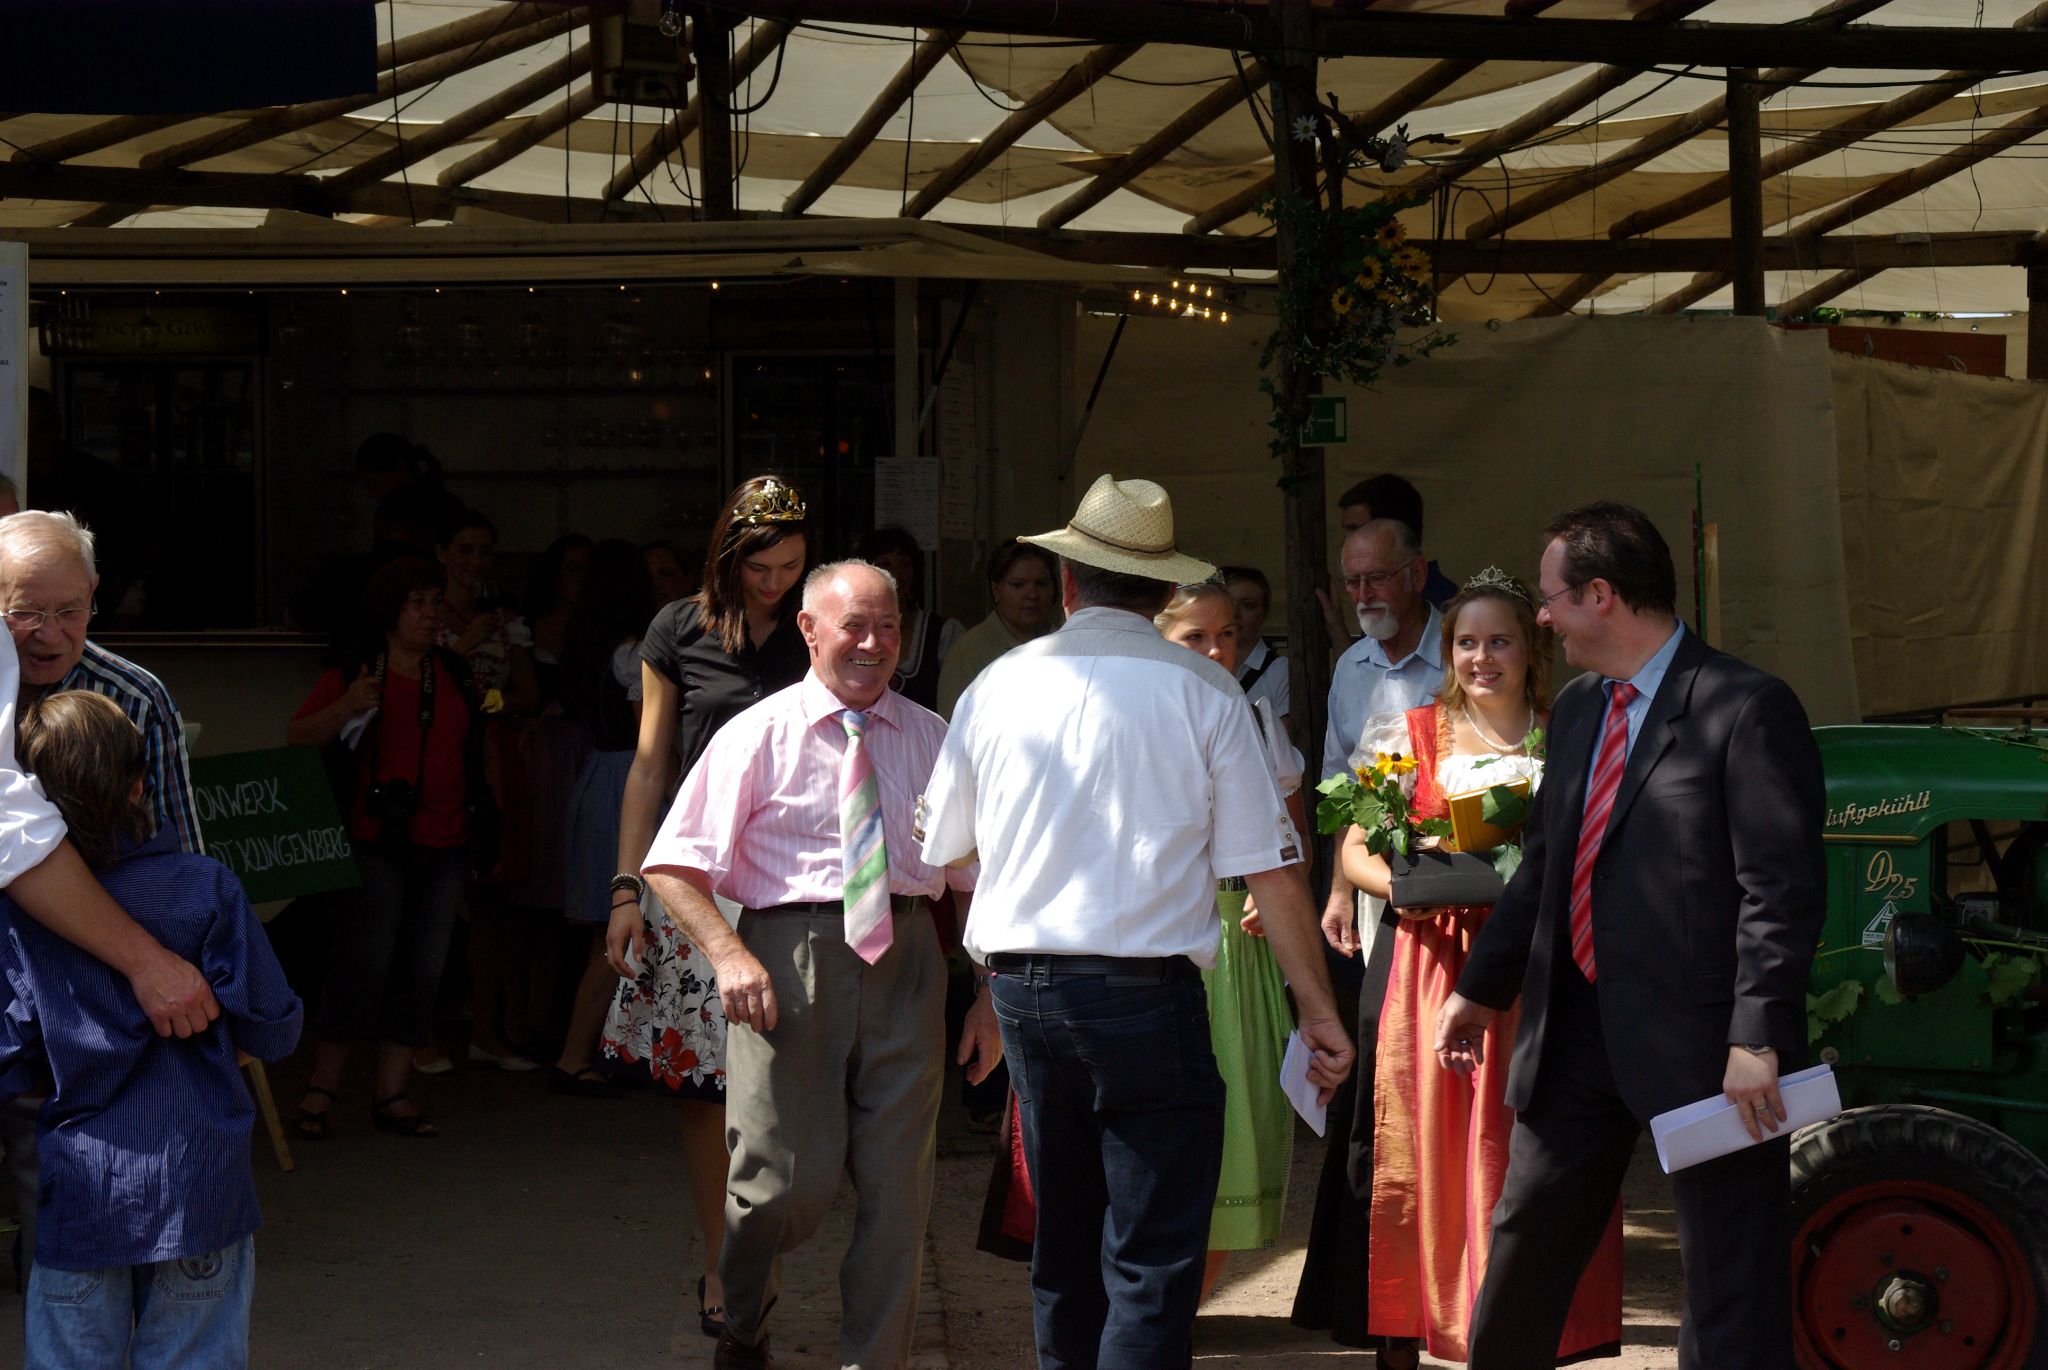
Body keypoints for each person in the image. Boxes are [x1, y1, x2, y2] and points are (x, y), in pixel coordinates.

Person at [919, 474, 1353, 1370]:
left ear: (1070, 582)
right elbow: (1268, 868)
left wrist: (984, 978)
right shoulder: (1205, 693)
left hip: (1028, 989)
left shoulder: (997, 684)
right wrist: (1317, 1008)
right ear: (1161, 592)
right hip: (1142, 994)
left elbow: (949, 856)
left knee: (1065, 1242)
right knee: (1151, 1260)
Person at [1436, 503, 1826, 1370]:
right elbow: (1545, 867)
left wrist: (1756, 1035)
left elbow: (1782, 890)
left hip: (1707, 1048)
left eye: (1550, 598)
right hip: (1575, 1033)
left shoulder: (1746, 706)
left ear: (1601, 595)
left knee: (1730, 1271)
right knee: (1528, 1241)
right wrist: (1479, 987)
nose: (1540, 616)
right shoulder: (1577, 709)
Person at [641, 559, 989, 1370]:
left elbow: (977, 882)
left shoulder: (935, 739)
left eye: (890, 627)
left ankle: (874, 1359)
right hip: (785, 965)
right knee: (778, 1192)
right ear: (808, 630)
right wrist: (728, 955)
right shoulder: (757, 734)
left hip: (906, 961)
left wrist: (989, 995)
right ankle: (743, 1316)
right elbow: (672, 866)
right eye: (854, 627)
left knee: (899, 1195)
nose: (874, 645)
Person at [1339, 571, 1621, 1366]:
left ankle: (1529, 1327)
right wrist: (1410, 885)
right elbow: (1356, 848)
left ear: (1531, 651)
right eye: (1466, 642)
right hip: (1434, 964)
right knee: (1432, 1143)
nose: (1481, 658)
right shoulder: (1413, 732)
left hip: (1541, 967)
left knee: (1525, 1144)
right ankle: (1426, 1315)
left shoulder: (1568, 732)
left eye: (1499, 641)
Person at [0, 692, 301, 1370]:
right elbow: (271, 1027)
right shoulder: (204, 888)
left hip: (82, 1188)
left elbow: (12, 1054)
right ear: (142, 785)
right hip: (198, 1185)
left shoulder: (24, 910)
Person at [600, 475, 812, 1341]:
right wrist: (626, 888)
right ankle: (724, 1262)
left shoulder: (817, 626)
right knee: (704, 1091)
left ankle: (761, 1253)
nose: (777, 583)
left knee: (788, 1084)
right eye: (760, 567)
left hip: (795, 874)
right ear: (728, 557)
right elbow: (650, 766)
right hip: (696, 882)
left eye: (792, 566)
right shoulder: (677, 629)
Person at [286, 557, 489, 1139]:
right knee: (362, 962)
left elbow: (473, 746)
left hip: (446, 839)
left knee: (424, 968)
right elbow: (298, 737)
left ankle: (393, 1094)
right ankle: (321, 1089)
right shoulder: (357, 669)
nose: (430, 614)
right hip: (372, 836)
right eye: (417, 603)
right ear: (389, 611)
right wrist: (348, 704)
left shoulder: (451, 671)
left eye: (435, 603)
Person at [1154, 581, 1310, 1299]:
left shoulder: (1254, 716)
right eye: (1195, 637)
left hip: (1236, 943)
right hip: (1163, 942)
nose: (1217, 650)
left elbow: (1291, 843)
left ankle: (1185, 1308)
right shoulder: (1142, 718)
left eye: (1228, 635)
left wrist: (1262, 889)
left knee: (1237, 1123)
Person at [0, 511, 202, 854]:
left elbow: (183, 859)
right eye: (26, 612)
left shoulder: (137, 699)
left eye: (70, 612)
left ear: (92, 592)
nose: (49, 635)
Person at [553, 540, 657, 1097]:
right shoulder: (633, 652)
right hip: (626, 780)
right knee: (615, 929)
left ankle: (592, 1050)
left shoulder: (586, 642)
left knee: (611, 927)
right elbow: (650, 736)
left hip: (598, 773)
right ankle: (575, 1054)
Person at [1321, 475, 1459, 647]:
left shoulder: (1447, 607)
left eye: (1357, 530)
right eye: (1353, 582)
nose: (1347, 542)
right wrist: (1336, 627)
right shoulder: (1380, 601)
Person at [933, 539, 1057, 720]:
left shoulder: (1067, 640)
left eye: (1041, 583)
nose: (1032, 595)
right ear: (996, 589)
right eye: (1018, 585)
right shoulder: (969, 653)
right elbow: (953, 728)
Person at [857, 526, 961, 712]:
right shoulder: (851, 631)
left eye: (905, 564)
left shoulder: (942, 632)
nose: (896, 573)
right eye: (885, 564)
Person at [1216, 564, 1290, 727]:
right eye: (1228, 603)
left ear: (1264, 613)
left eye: (1247, 605)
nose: (1235, 613)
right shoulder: (1202, 663)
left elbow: (1283, 744)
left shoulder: (1279, 672)